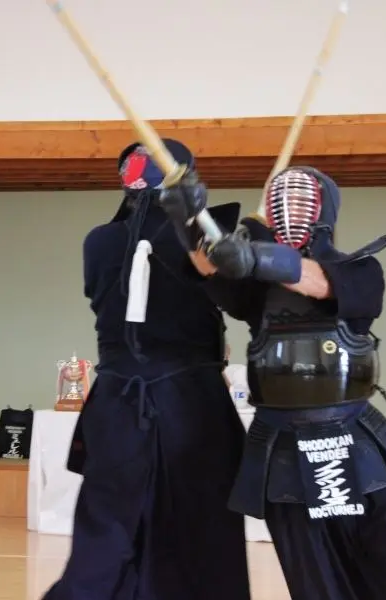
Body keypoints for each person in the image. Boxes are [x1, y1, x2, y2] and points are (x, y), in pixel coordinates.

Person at [159, 165, 386, 600]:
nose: (290, 208)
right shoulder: (256, 294)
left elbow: (317, 281)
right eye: (281, 199)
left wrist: (257, 257)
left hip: (352, 443)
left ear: (324, 207)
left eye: (301, 198)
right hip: (284, 450)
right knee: (314, 581)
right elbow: (209, 269)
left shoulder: (361, 272)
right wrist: (189, 222)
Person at [42, 139, 251, 600]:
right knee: (202, 532)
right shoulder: (203, 240)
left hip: (117, 401)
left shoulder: (99, 241)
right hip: (190, 404)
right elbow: (231, 289)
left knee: (108, 530)